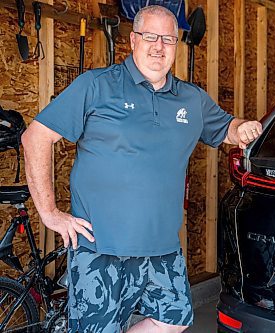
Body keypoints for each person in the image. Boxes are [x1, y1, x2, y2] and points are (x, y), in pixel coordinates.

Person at [21, 5, 262, 333]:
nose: (159, 46)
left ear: (177, 45)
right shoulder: (97, 86)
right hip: (100, 247)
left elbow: (228, 129)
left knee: (173, 319)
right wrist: (49, 213)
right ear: (133, 40)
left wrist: (244, 127)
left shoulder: (191, 99)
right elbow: (36, 137)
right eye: (150, 36)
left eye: (168, 39)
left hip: (161, 248)